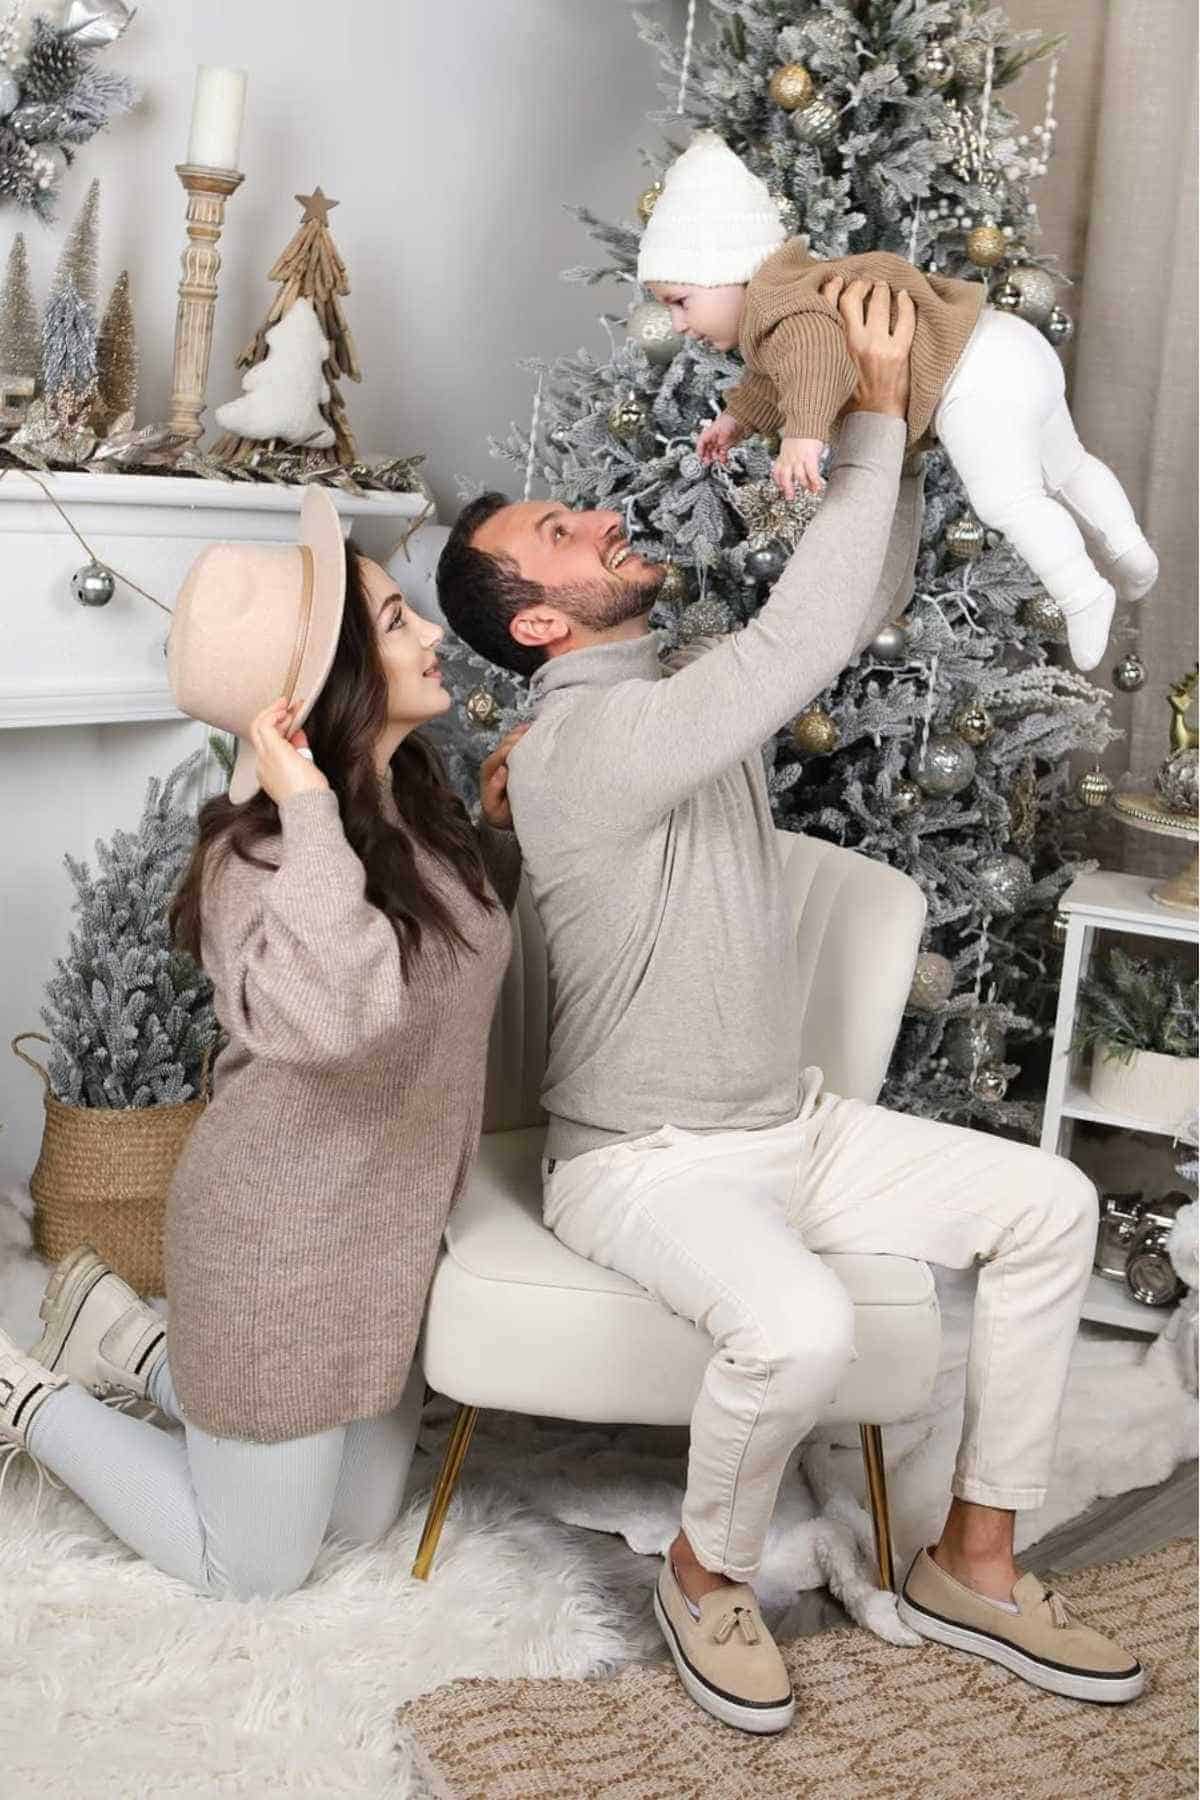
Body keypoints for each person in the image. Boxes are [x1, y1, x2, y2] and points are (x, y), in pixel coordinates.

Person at [434, 283, 1144, 1733]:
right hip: (638, 1166)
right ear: (541, 623)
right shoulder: (579, 746)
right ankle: (705, 1574)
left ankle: (975, 1559)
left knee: (1050, 1211)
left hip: (788, 1131)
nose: (596, 522)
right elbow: (798, 648)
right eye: (557, 540)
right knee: (802, 1332)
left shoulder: (681, 684)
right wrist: (873, 408)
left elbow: (849, 603)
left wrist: (907, 412)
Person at [0, 488, 525, 1601]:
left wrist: (506, 836)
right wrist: (307, 805)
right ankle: (29, 1399)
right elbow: (344, 1018)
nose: (432, 633)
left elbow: (452, 974)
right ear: (324, 689)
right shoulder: (261, 861)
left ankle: (137, 1350)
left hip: (383, 1244)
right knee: (252, 1568)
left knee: (362, 1519)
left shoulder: (422, 814)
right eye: (394, 624)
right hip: (277, 1246)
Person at [639, 132, 1157, 673]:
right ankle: (1130, 552)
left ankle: (1081, 593)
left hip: (973, 378)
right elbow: (779, 376)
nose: (678, 325)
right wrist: (736, 419)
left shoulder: (779, 306)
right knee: (1067, 465)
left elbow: (815, 359)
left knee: (1008, 500)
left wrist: (802, 436)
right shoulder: (786, 302)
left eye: (681, 301)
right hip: (1007, 343)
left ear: (727, 274)